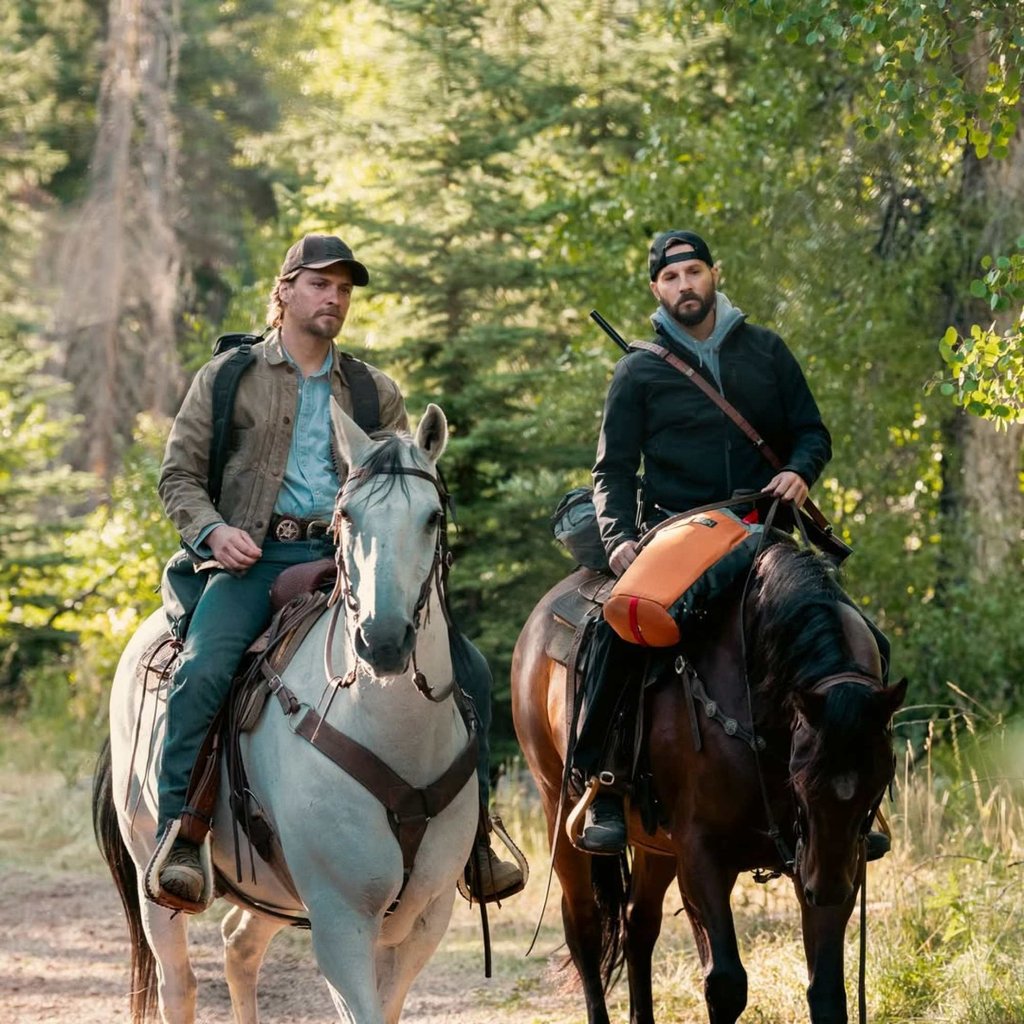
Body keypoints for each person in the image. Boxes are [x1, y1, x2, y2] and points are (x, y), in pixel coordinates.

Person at [151, 233, 524, 906]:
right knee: (204, 668)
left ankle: (477, 840)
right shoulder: (230, 378)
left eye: (344, 289)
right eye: (321, 284)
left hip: (351, 561)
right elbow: (178, 474)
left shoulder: (373, 391)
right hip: (254, 561)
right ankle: (182, 833)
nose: (335, 298)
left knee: (466, 668)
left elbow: (406, 486)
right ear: (286, 290)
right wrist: (214, 531)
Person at [577, 228, 886, 857]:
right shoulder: (636, 371)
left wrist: (800, 470)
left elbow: (811, 432)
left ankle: (862, 798)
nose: (684, 286)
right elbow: (611, 471)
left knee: (864, 638)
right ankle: (604, 783)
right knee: (616, 631)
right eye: (670, 277)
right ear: (656, 290)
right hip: (677, 534)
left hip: (764, 527)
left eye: (693, 272)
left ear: (714, 275)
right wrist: (618, 541)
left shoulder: (767, 351)